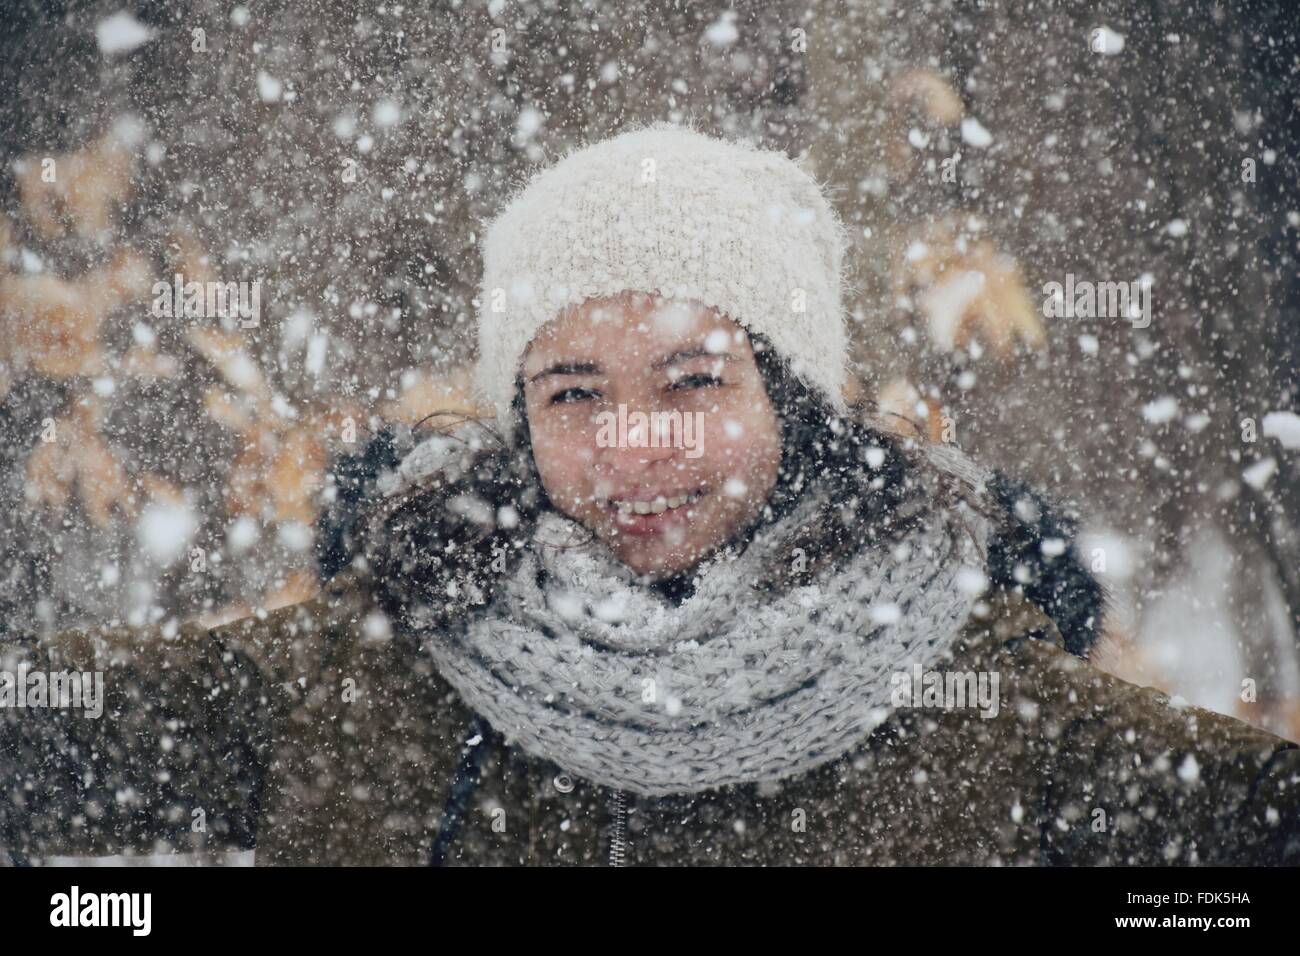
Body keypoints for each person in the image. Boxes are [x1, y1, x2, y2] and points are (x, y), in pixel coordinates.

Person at [3, 125, 1296, 867]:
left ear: (798, 402)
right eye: (571, 392)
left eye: (692, 382)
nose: (629, 444)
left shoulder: (983, 702)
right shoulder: (367, 672)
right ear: (517, 421)